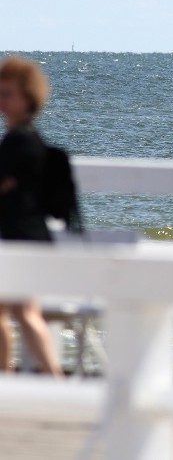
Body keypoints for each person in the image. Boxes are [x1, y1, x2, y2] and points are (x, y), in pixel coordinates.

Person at [0, 56, 63, 377]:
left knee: (24, 313)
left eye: (9, 93)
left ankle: (53, 378)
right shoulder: (22, 139)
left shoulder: (20, 142)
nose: (2, 100)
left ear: (28, 98)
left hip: (22, 238)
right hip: (22, 236)